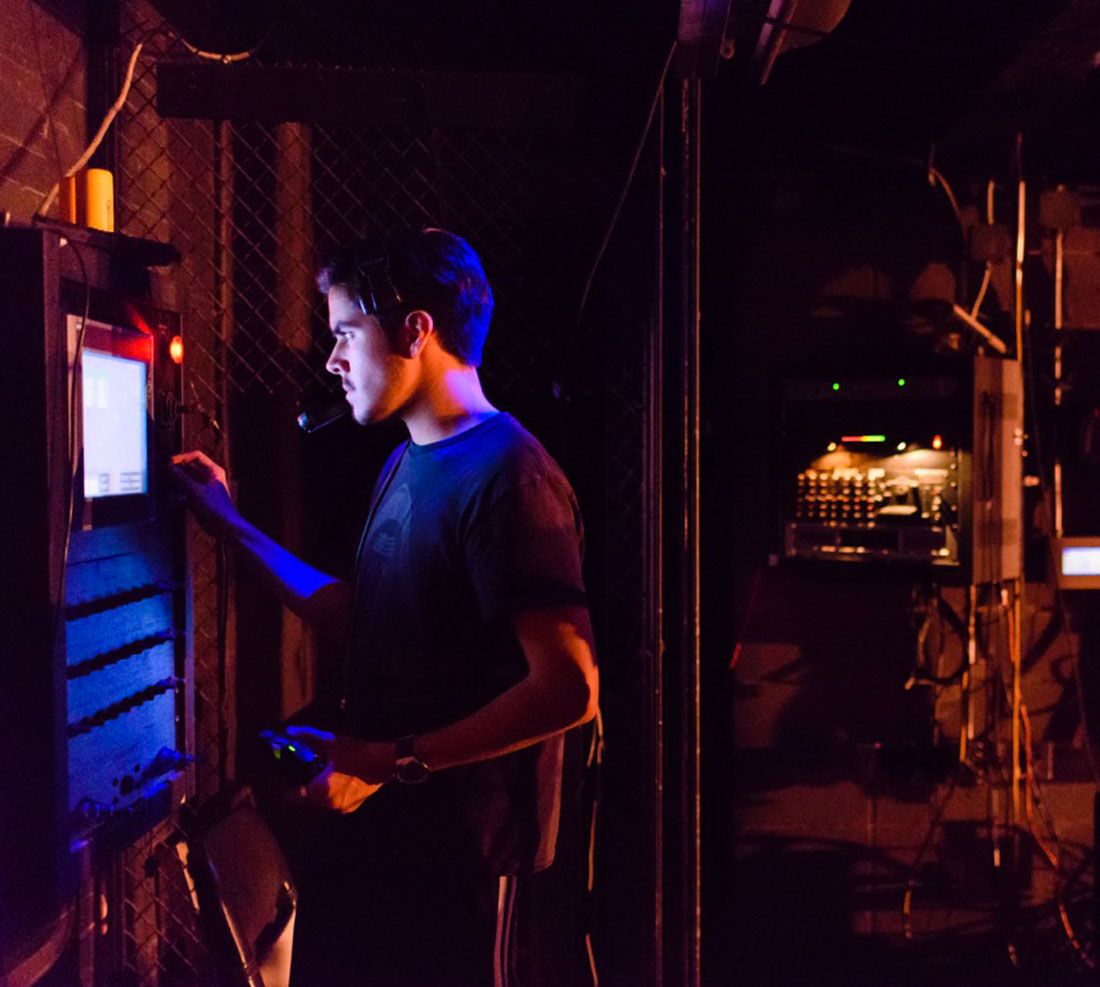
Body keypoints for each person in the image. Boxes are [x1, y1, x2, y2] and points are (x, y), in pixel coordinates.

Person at [172, 228, 599, 987]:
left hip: (454, 871)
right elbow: (367, 614)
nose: (332, 359)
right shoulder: (408, 459)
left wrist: (390, 758)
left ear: (414, 329)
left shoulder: (511, 478)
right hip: (380, 850)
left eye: (345, 333)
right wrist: (232, 526)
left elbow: (569, 686)